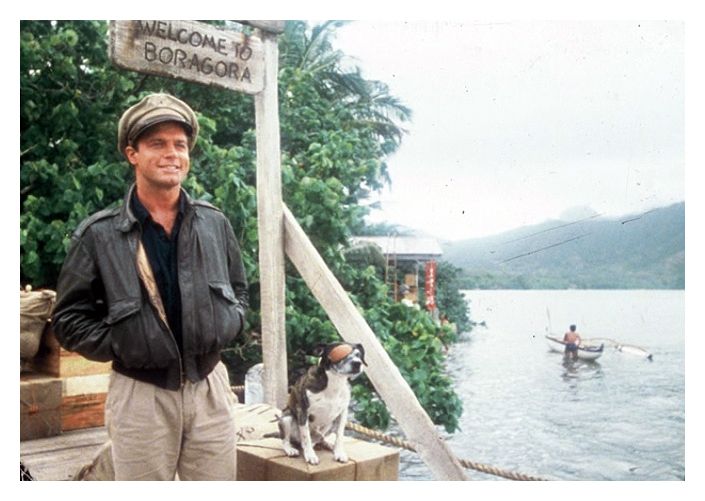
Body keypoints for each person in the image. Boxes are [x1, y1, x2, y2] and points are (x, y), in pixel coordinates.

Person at [52, 93, 249, 480]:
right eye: (157, 144)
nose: (171, 153)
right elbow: (68, 318)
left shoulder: (214, 223)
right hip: (140, 395)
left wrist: (230, 323)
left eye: (180, 144)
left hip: (210, 388)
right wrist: (125, 344)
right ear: (132, 154)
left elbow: (240, 290)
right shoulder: (98, 234)